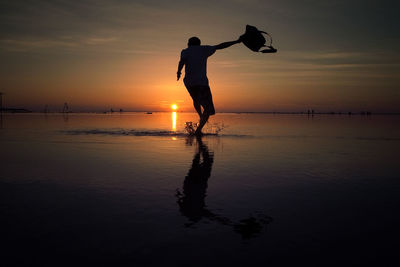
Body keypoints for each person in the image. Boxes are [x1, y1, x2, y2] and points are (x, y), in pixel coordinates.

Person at [177, 36, 241, 135]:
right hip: (201, 83)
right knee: (209, 110)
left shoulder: (185, 51)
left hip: (189, 82)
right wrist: (236, 41)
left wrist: (178, 72)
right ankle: (198, 130)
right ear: (199, 43)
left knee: (196, 99)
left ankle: (200, 116)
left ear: (188, 44)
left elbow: (182, 62)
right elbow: (221, 46)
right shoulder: (204, 49)